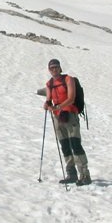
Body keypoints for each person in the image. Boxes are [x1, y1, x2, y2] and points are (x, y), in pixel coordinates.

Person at [43, 58, 92, 186]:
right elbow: (49, 99)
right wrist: (47, 104)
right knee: (65, 145)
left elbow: (71, 98)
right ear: (49, 70)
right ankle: (72, 174)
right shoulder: (49, 84)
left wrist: (58, 106)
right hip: (58, 117)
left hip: (70, 114)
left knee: (75, 144)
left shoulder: (68, 79)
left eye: (56, 67)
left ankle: (85, 175)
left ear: (60, 68)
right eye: (52, 67)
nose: (54, 69)